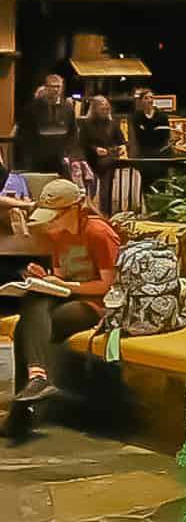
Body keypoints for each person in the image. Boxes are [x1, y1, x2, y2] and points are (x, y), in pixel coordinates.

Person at [8, 177, 120, 414]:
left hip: (96, 304)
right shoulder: (58, 235)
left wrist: (66, 285)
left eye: (56, 216)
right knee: (33, 303)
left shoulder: (98, 233)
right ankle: (36, 382)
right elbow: (61, 276)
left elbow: (108, 285)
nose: (53, 223)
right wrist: (44, 277)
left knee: (27, 329)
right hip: (69, 295)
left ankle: (25, 409)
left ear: (75, 208)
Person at [24, 72, 76, 173]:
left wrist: (68, 153)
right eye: (52, 86)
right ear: (46, 87)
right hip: (38, 157)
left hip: (61, 156)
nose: (55, 89)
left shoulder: (68, 107)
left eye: (58, 86)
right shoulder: (33, 108)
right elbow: (26, 133)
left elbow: (73, 132)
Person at [78, 94, 126, 191]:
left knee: (107, 185)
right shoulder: (86, 123)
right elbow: (82, 143)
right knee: (91, 189)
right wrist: (95, 149)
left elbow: (121, 141)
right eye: (102, 108)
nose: (105, 110)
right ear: (94, 109)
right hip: (91, 159)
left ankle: (106, 205)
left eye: (106, 108)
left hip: (109, 158)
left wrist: (123, 147)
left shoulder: (113, 123)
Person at [128, 88, 173, 161]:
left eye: (151, 97)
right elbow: (136, 138)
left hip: (161, 154)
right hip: (143, 155)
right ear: (141, 101)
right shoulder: (136, 117)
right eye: (146, 98)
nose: (149, 100)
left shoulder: (162, 116)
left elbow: (165, 136)